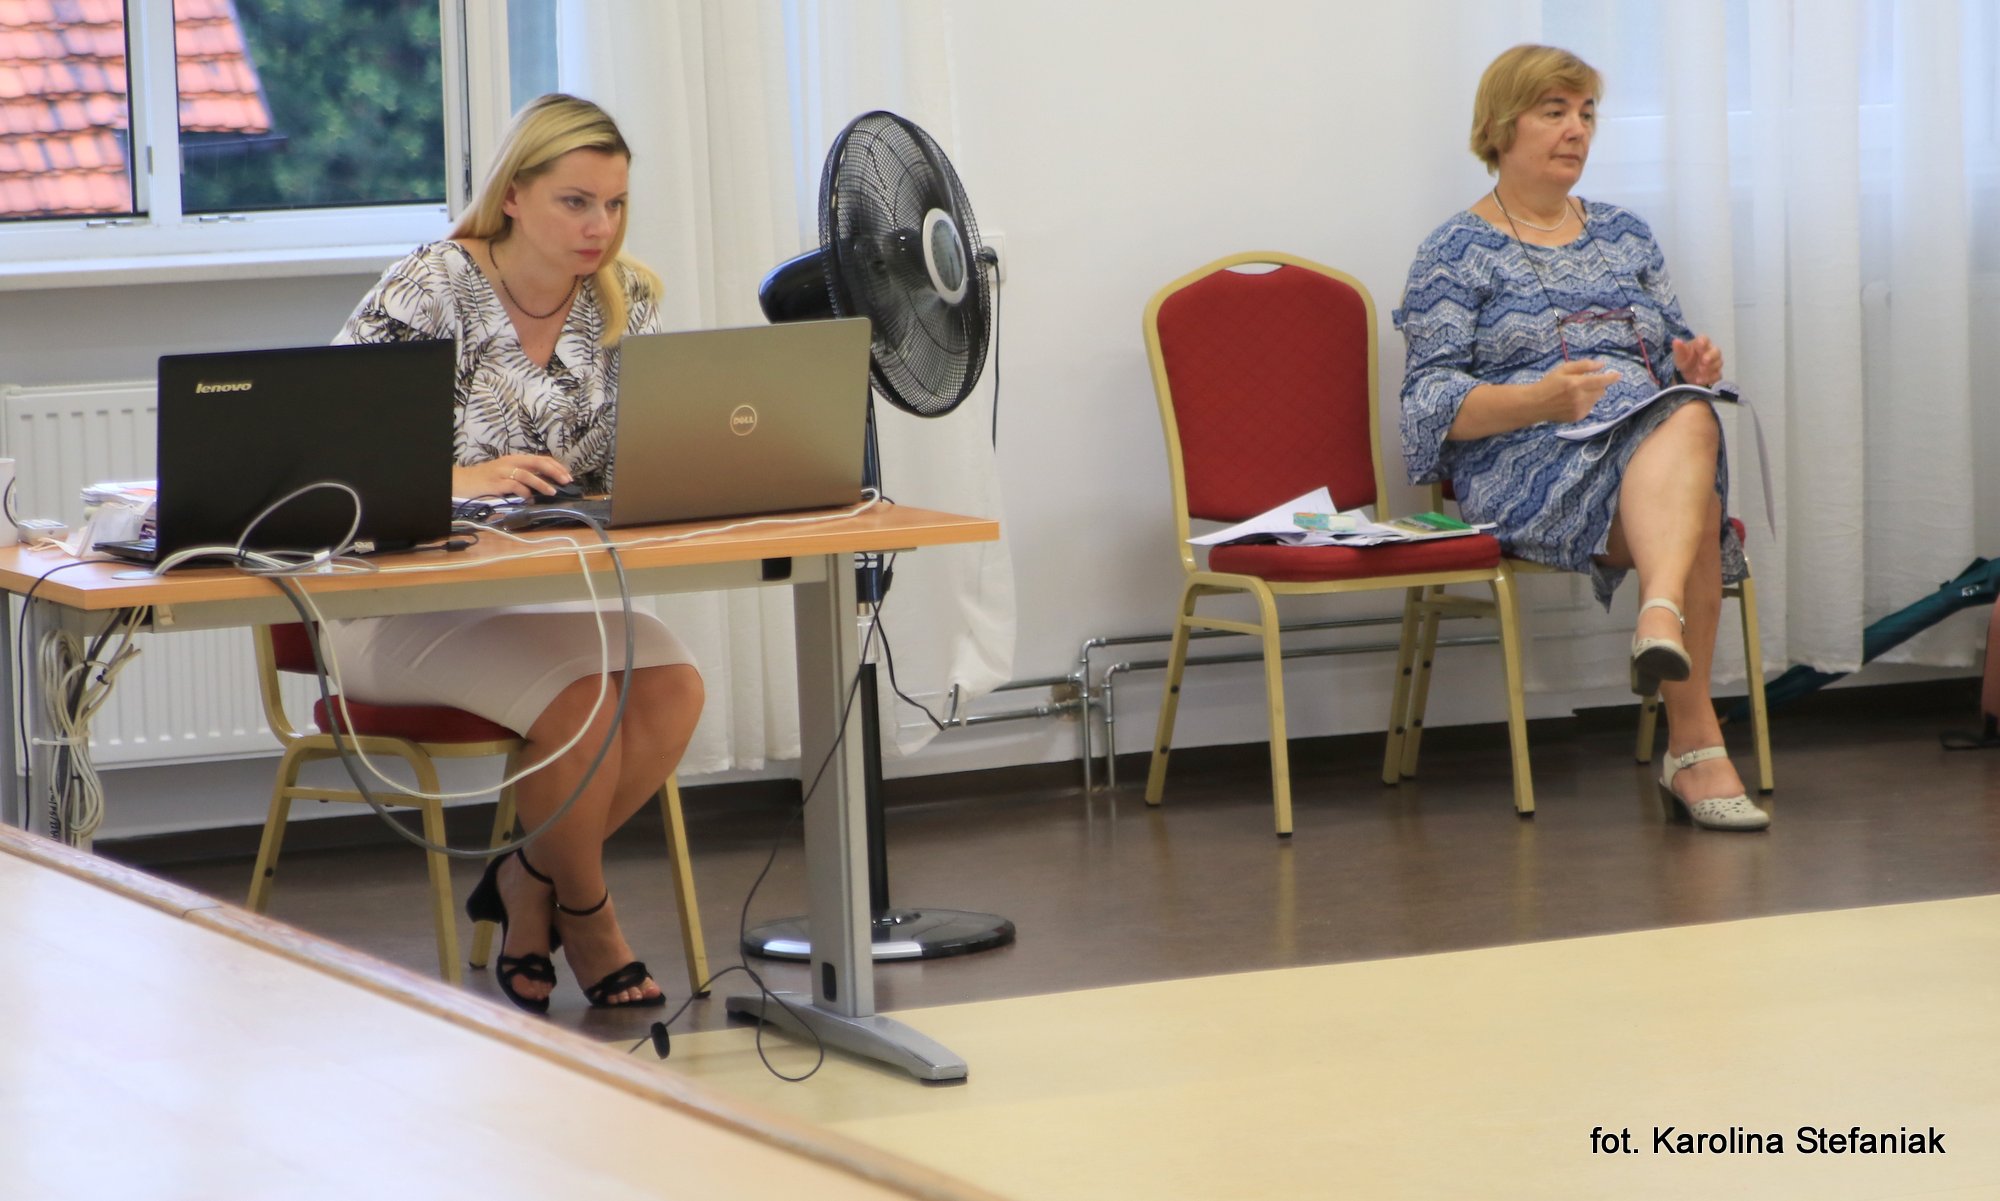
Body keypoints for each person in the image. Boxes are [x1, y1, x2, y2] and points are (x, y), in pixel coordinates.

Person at [329, 94, 707, 1010]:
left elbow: (644, 455)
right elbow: (330, 458)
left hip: (536, 596)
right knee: (582, 702)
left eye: (614, 204)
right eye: (576, 202)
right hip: (391, 606)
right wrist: (464, 476)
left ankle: (524, 878)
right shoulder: (432, 284)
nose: (600, 227)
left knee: (673, 685)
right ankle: (588, 913)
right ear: (512, 196)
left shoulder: (624, 299)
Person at [1394, 45, 1767, 832]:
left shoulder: (1626, 235)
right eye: (1555, 111)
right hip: (1528, 460)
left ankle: (1660, 623)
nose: (1577, 129)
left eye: (1588, 113)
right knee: (1697, 502)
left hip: (1648, 444)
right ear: (1501, 126)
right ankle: (1693, 745)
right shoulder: (1453, 252)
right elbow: (1427, 407)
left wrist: (1686, 362)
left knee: (1690, 415)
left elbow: (1667, 344)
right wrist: (1536, 399)